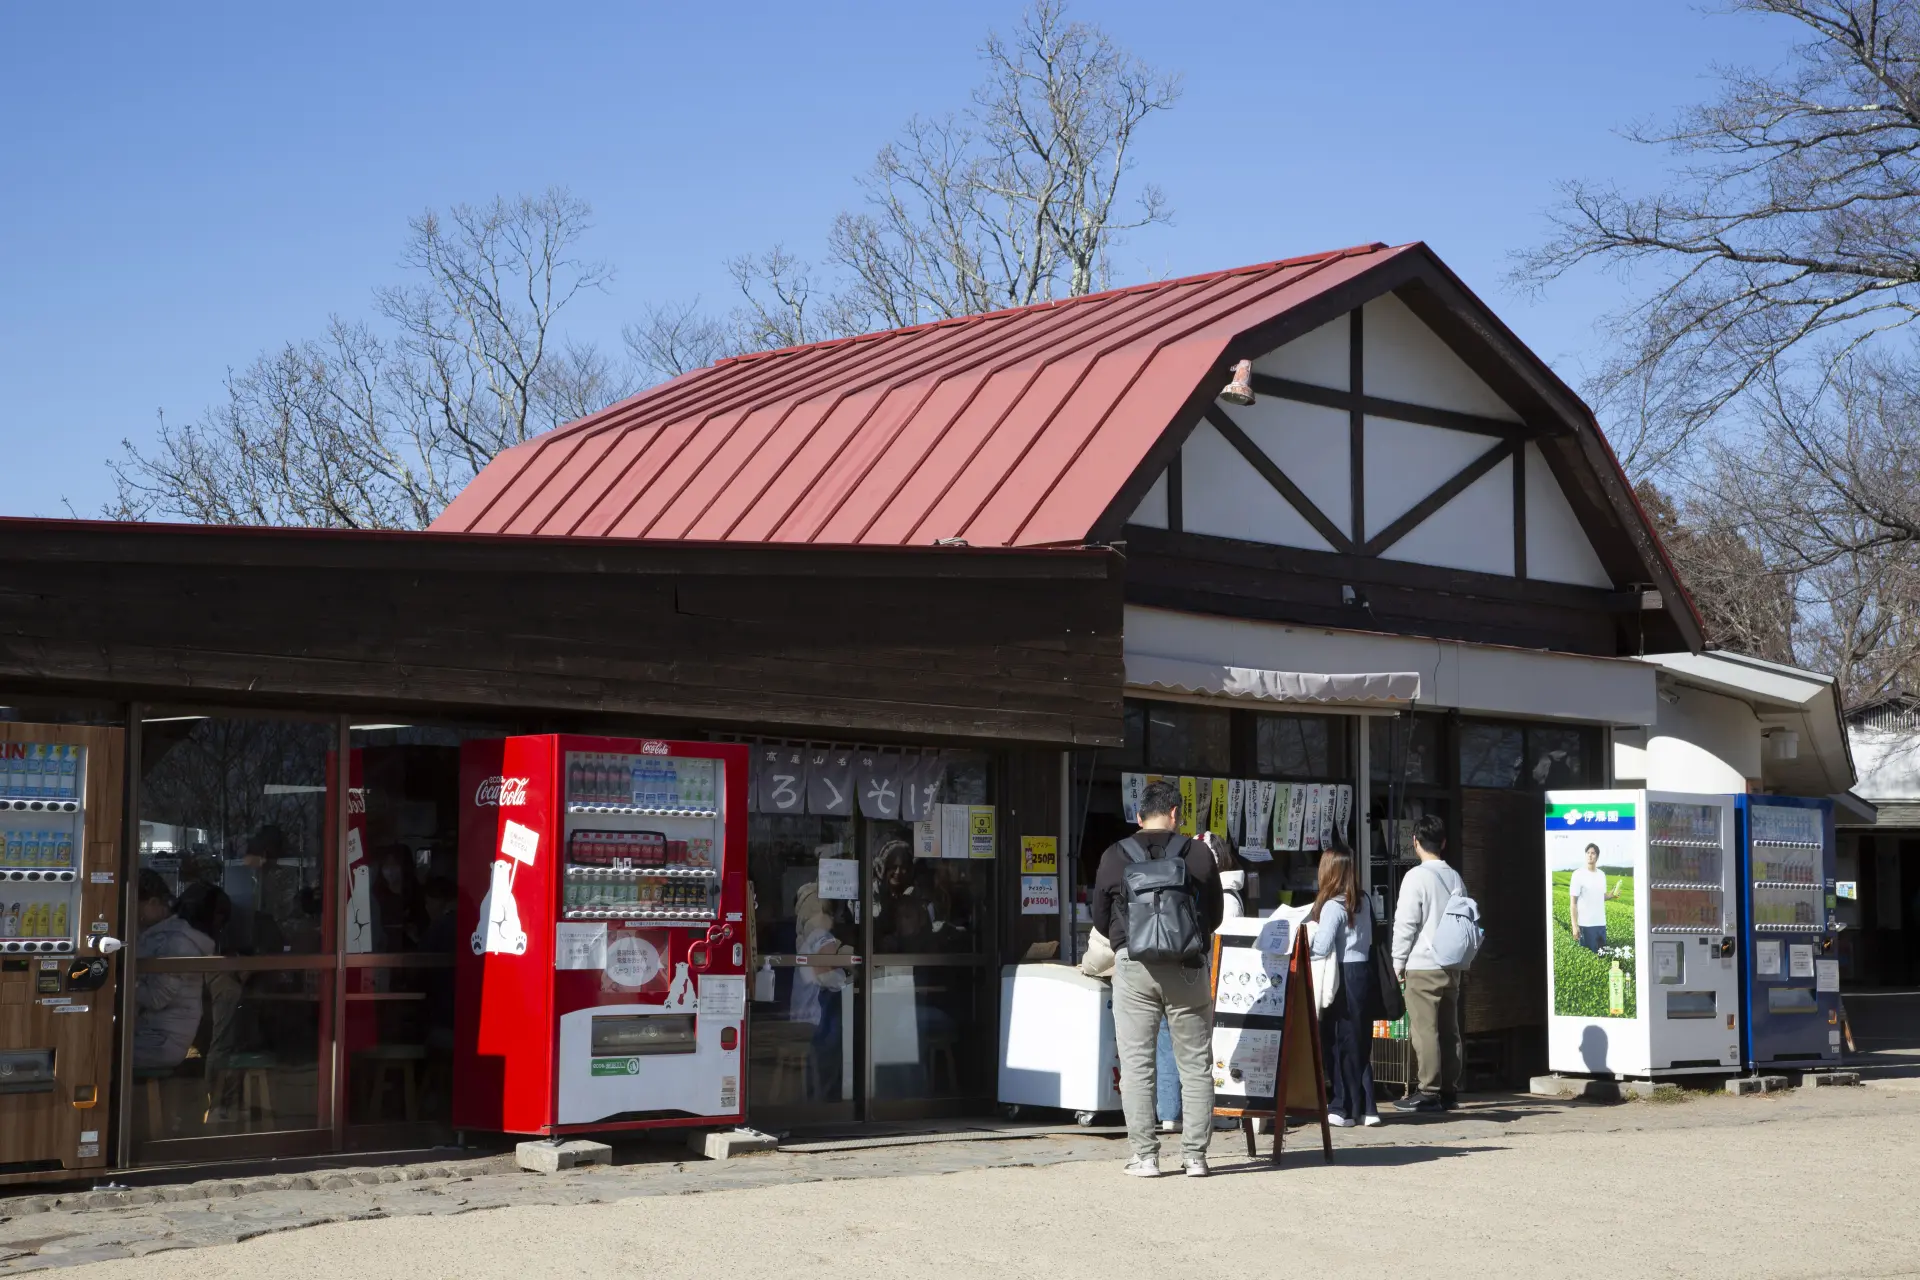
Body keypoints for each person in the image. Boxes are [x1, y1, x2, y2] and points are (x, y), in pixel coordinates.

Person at [1089, 778, 1224, 1178]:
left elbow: (1098, 916)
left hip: (1134, 967)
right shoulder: (1197, 854)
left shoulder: (1115, 856)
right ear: (1175, 815)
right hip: (1187, 967)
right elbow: (1214, 914)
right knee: (1195, 1064)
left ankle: (1145, 1157)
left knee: (1136, 1065)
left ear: (1137, 815)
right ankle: (1195, 1157)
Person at [1391, 814, 1467, 1113]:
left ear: (1415, 842)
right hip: (1452, 964)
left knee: (1425, 1030)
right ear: (1444, 843)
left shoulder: (1416, 877)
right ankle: (1449, 1090)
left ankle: (1428, 1091)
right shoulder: (1455, 877)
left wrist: (1397, 963)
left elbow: (1406, 924)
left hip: (1423, 964)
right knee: (1449, 1030)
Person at [1309, 841, 1379, 1127]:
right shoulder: (1363, 900)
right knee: (1360, 1041)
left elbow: (1322, 946)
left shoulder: (1331, 906)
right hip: (1363, 971)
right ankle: (1368, 1107)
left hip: (1340, 975)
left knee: (1338, 1041)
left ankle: (1342, 1108)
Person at [132, 871, 217, 1071]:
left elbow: (156, 998)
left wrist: (122, 982)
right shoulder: (155, 935)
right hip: (149, 1034)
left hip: (160, 1042)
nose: (132, 913)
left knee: (97, 1055)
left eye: (136, 906)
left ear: (153, 903)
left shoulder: (176, 942)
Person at [1568, 843, 1618, 954]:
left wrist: (1611, 895)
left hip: (1601, 924)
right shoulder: (1578, 874)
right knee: (1589, 957)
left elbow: (1601, 896)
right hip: (1585, 925)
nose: (1590, 855)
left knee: (1602, 957)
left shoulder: (1602, 875)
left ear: (1597, 857)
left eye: (1593, 853)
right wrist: (1574, 926)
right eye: (1588, 853)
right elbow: (1573, 903)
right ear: (1585, 855)